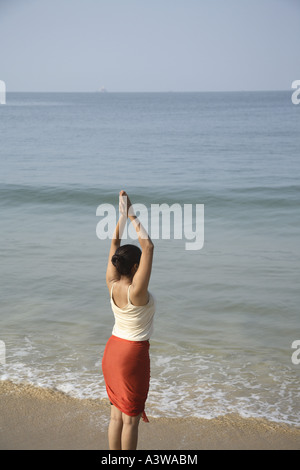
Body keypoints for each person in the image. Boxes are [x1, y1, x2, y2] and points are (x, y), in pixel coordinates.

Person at [102, 190, 155, 450]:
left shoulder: (112, 285)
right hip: (132, 355)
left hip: (112, 352)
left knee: (115, 416)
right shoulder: (137, 292)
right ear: (135, 268)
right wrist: (131, 212)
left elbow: (114, 246)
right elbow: (149, 246)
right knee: (130, 421)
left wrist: (120, 216)